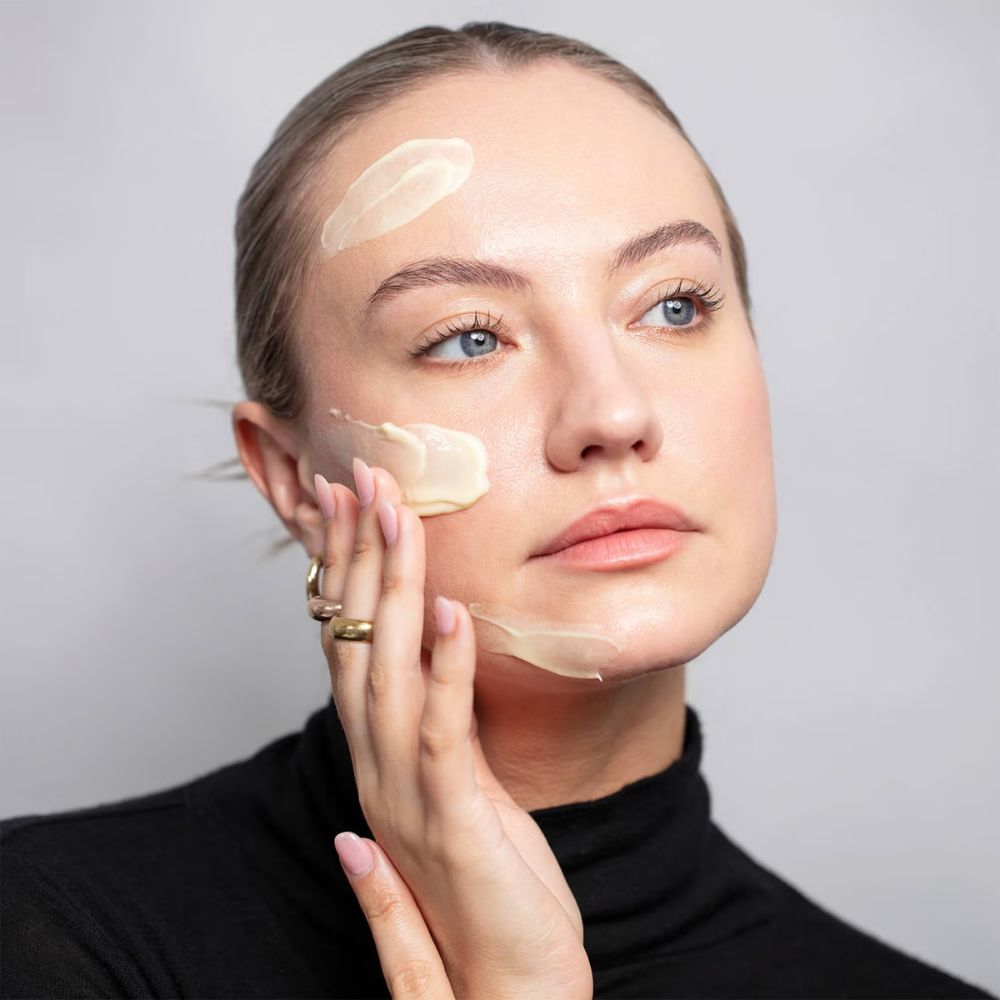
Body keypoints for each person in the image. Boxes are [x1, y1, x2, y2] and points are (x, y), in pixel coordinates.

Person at [1, 20, 993, 1000]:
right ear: (296, 478)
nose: (613, 415)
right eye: (469, 338)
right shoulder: (52, 939)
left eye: (674, 305)